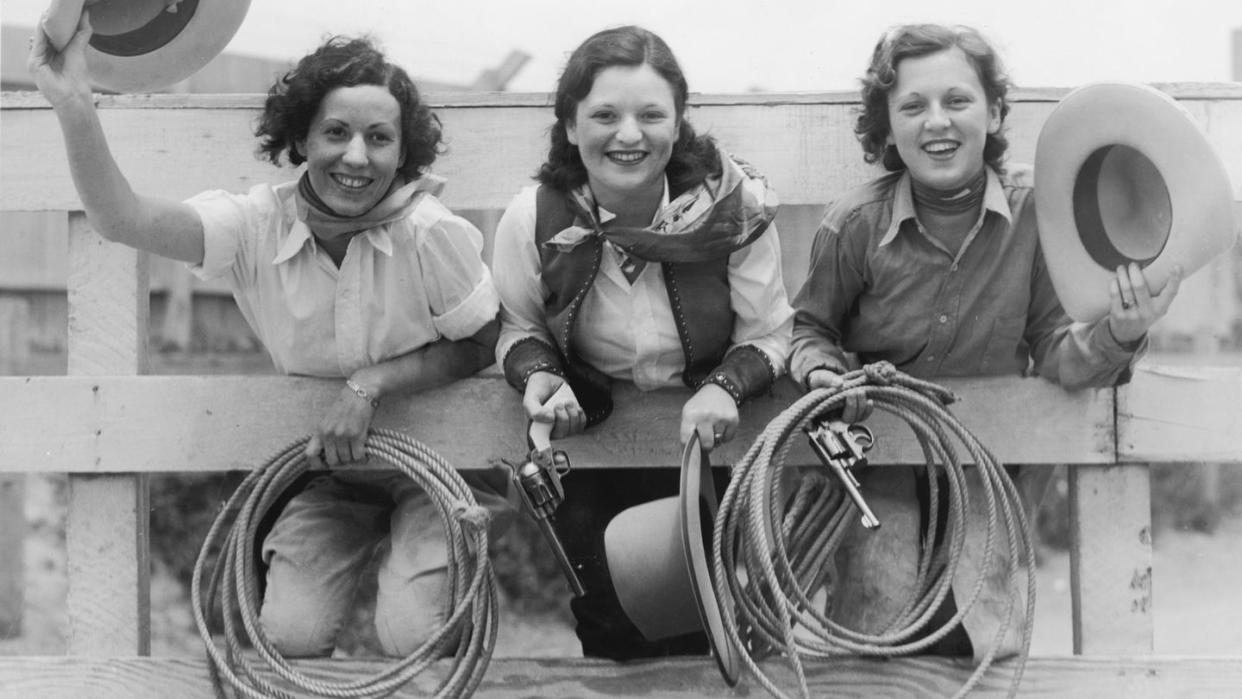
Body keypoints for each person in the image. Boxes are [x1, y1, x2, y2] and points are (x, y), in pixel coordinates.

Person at [30, 18, 509, 658]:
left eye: (379, 137)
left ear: (403, 151)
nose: (357, 157)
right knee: (288, 635)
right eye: (336, 133)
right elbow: (122, 219)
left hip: (443, 463)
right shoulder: (256, 225)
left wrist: (371, 387)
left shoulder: (430, 232)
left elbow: (481, 342)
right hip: (329, 473)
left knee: (414, 634)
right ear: (303, 138)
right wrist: (74, 106)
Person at [788, 23, 1182, 660]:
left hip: (988, 467)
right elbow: (810, 329)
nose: (936, 121)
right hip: (876, 467)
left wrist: (1120, 333)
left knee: (981, 635)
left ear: (995, 112)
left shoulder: (1035, 215)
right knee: (875, 622)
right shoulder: (853, 226)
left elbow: (1054, 346)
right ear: (887, 128)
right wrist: (821, 373)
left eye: (958, 100)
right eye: (912, 106)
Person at [492, 26, 794, 660]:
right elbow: (519, 327)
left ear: (677, 124)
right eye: (604, 114)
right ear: (570, 126)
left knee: (700, 621)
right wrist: (540, 375)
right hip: (595, 433)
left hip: (703, 439)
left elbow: (769, 334)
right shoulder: (532, 217)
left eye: (651, 115)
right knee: (611, 620)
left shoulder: (731, 210)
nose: (629, 135)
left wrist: (725, 386)